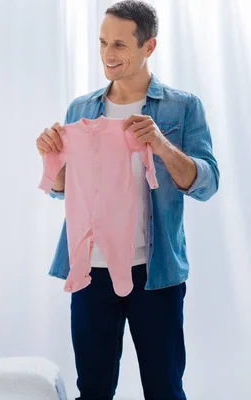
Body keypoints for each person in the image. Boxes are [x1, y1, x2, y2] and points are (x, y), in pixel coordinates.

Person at [36, 1, 219, 399]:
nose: (107, 54)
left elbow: (206, 183)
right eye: (102, 42)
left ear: (148, 47)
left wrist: (161, 143)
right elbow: (63, 189)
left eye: (119, 44)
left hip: (156, 274)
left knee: (165, 389)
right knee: (95, 389)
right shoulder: (81, 109)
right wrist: (52, 156)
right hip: (90, 272)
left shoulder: (182, 107)